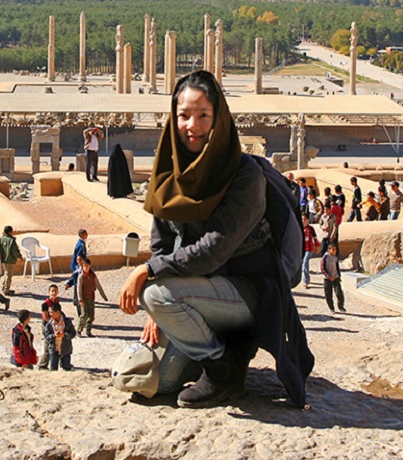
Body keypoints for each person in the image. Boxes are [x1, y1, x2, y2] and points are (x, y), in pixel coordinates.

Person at [117, 70, 313, 409]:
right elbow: (164, 241)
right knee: (151, 383)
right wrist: (159, 314)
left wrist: (148, 272)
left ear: (218, 118)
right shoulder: (169, 171)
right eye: (184, 115)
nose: (193, 126)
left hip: (247, 292)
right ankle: (208, 352)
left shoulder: (245, 175)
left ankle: (225, 371)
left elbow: (214, 250)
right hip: (197, 293)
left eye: (203, 115)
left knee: (156, 294)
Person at [77, 258, 107, 337]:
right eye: (84, 266)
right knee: (84, 315)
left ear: (90, 266)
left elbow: (98, 285)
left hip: (91, 298)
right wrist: (80, 299)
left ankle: (88, 331)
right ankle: (79, 330)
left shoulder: (93, 276)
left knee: (91, 316)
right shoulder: (81, 277)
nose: (85, 267)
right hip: (83, 298)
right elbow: (79, 289)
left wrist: (103, 295)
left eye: (87, 266)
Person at [42, 302, 76, 371]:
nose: (50, 314)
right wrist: (54, 335)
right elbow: (46, 337)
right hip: (54, 350)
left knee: (67, 370)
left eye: (51, 312)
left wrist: (64, 335)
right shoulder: (49, 324)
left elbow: (73, 333)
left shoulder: (67, 322)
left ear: (57, 312)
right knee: (53, 371)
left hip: (65, 349)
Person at [0, 226, 23, 297]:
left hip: (3, 259)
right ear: (10, 232)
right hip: (10, 260)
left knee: (6, 273)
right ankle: (6, 290)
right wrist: (19, 256)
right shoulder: (11, 240)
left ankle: (4, 287)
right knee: (9, 275)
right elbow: (14, 251)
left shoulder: (1, 239)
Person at [39, 284, 60, 370]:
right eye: (52, 291)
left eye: (55, 291)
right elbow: (46, 317)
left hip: (54, 324)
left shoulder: (57, 301)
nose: (54, 293)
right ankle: (42, 365)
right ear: (49, 292)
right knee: (48, 345)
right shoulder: (45, 304)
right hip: (47, 325)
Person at [320, 243, 345, 315]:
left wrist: (339, 276)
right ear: (329, 250)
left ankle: (341, 306)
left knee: (339, 293)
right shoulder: (325, 257)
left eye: (335, 249)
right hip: (327, 279)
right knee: (328, 294)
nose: (334, 251)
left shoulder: (335, 257)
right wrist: (328, 276)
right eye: (333, 249)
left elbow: (337, 267)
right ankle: (331, 308)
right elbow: (322, 269)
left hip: (335, 277)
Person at [301, 214, 319, 289]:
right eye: (302, 219)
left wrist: (317, 246)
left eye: (304, 219)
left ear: (307, 220)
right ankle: (304, 277)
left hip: (309, 249)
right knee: (303, 264)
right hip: (301, 249)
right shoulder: (299, 228)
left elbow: (315, 238)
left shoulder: (310, 229)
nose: (303, 221)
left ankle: (306, 281)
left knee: (305, 262)